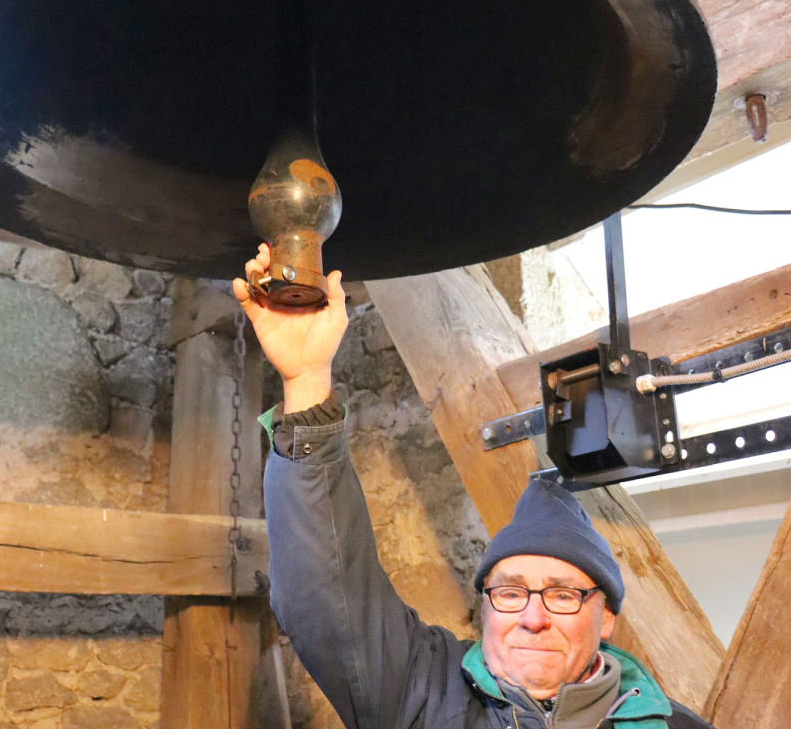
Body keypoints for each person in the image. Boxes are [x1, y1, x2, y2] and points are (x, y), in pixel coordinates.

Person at [233, 245, 713, 729]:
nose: (532, 617)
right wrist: (307, 379)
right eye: (509, 593)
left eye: (563, 595)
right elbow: (323, 594)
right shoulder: (422, 690)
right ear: (485, 604)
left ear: (606, 616)